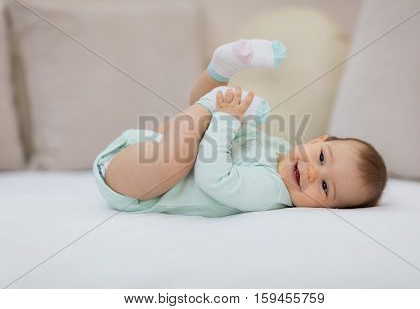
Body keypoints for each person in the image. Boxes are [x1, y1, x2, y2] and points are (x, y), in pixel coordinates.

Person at [93, 39, 387, 217]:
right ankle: (220, 70)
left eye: (324, 187)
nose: (312, 172)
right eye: (322, 158)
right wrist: (236, 120)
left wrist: (226, 119)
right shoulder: (279, 149)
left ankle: (210, 101)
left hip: (140, 187)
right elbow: (225, 139)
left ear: (325, 210)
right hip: (147, 150)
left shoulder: (272, 192)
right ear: (319, 139)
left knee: (180, 157)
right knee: (201, 125)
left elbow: (214, 179)